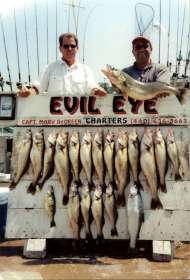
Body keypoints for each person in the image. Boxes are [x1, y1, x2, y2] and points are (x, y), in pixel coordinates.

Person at [18, 32, 107, 97]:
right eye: (66, 46)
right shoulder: (50, 68)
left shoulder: (86, 70)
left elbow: (92, 88)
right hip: (54, 120)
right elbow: (38, 88)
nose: (69, 49)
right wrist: (28, 92)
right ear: (60, 48)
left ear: (77, 48)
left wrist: (98, 91)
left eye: (72, 46)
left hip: (80, 120)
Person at [122, 36, 171, 114]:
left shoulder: (161, 69)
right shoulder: (125, 73)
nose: (141, 49)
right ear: (133, 52)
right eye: (138, 47)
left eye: (145, 46)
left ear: (151, 49)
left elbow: (162, 87)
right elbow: (119, 91)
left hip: (157, 121)